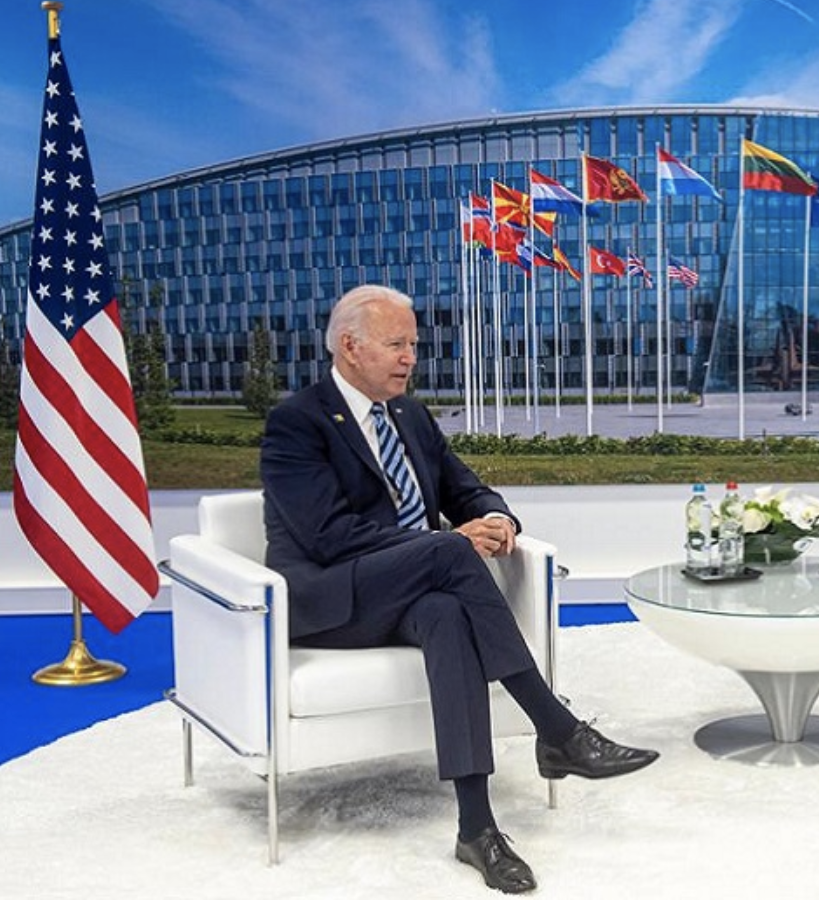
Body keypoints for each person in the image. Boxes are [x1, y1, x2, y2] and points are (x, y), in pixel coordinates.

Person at [260, 284, 658, 893]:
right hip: (332, 599)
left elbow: (465, 488)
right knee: (447, 550)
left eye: (413, 345)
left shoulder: (410, 416)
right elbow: (328, 536)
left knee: (446, 613)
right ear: (349, 346)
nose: (410, 358)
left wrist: (496, 518)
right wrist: (440, 544)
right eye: (396, 344)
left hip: (409, 589)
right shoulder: (297, 422)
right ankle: (557, 730)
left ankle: (477, 829)